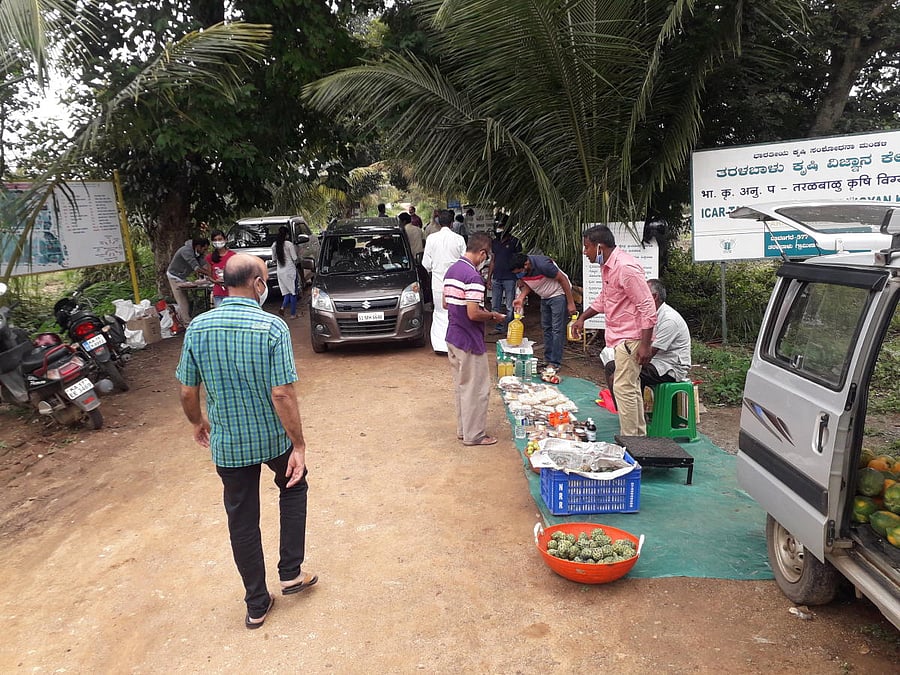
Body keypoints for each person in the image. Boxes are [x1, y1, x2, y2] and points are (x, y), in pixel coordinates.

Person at [176, 254, 317, 630]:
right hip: (272, 439)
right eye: (265, 278)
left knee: (242, 519)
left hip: (230, 444)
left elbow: (188, 389)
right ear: (257, 283)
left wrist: (196, 423)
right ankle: (290, 572)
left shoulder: (199, 327)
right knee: (293, 484)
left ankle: (256, 603)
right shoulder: (271, 328)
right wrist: (298, 445)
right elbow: (282, 394)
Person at [570, 225, 658, 437]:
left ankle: (631, 439)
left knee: (624, 389)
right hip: (621, 338)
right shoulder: (608, 266)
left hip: (631, 337)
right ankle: (638, 437)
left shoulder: (626, 268)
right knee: (630, 388)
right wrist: (583, 318)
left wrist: (645, 345)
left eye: (587, 247)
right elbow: (605, 298)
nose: (585, 252)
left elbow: (647, 306)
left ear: (599, 247)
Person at [443, 232, 506, 446]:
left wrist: (476, 307)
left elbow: (446, 303)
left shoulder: (452, 270)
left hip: (453, 336)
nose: (486, 260)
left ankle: (464, 430)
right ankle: (475, 435)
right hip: (469, 340)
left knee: (462, 387)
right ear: (482, 253)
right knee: (476, 389)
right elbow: (473, 314)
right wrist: (492, 315)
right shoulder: (473, 277)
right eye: (486, 256)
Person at [603, 279, 692, 408]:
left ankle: (633, 416)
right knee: (611, 366)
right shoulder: (649, 314)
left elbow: (647, 354)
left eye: (642, 294)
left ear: (654, 297)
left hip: (668, 367)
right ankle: (624, 412)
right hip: (655, 361)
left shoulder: (669, 320)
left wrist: (626, 360)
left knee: (618, 377)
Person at [509, 252, 577, 370]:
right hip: (545, 296)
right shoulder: (523, 270)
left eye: (519, 272)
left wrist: (570, 303)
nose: (519, 276)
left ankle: (555, 362)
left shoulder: (543, 265)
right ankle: (548, 358)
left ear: (526, 264)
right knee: (546, 327)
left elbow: (563, 280)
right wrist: (521, 297)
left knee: (557, 329)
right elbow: (531, 283)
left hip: (558, 295)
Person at [422, 210, 465, 354]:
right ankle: (456, 344)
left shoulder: (431, 239)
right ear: (452, 223)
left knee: (440, 313)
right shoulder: (459, 239)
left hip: (438, 283)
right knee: (457, 312)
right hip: (457, 283)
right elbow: (465, 261)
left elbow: (425, 263)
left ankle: (440, 346)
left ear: (438, 222)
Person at [167, 237, 213, 329]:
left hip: (182, 277)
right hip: (174, 276)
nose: (205, 251)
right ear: (199, 246)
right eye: (204, 249)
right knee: (182, 301)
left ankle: (184, 320)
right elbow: (196, 268)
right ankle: (187, 325)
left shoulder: (198, 253)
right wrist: (210, 274)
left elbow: (203, 264)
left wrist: (210, 271)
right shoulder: (186, 251)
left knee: (186, 300)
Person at [487, 223, 522, 333]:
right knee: (495, 305)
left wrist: (520, 277)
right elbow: (493, 260)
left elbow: (519, 260)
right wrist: (489, 278)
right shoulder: (494, 242)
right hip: (496, 277)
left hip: (510, 278)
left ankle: (509, 328)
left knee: (509, 306)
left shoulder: (515, 242)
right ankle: (498, 327)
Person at [273, 226, 300, 319]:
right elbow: (295, 258)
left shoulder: (274, 245)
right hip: (290, 270)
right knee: (293, 292)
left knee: (286, 291)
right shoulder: (289, 244)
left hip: (280, 271)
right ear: (286, 234)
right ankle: (293, 314)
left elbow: (274, 259)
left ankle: (283, 307)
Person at [206, 229, 235, 308]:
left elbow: (237, 274)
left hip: (231, 292)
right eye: (215, 240)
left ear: (225, 240)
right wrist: (216, 281)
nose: (217, 242)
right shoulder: (210, 257)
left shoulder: (233, 255)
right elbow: (209, 276)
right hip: (218, 293)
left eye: (220, 239)